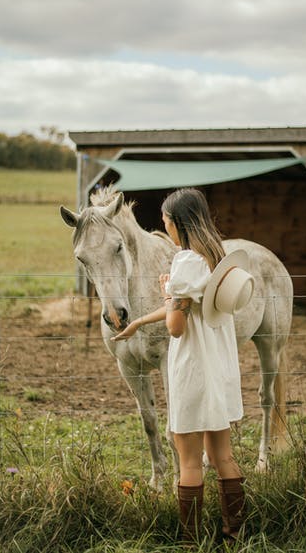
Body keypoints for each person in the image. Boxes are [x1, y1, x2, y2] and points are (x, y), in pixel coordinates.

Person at [112, 188, 246, 543]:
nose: (164, 226)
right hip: (218, 367)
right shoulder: (217, 257)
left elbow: (176, 325)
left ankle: (192, 542)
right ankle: (233, 538)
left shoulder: (186, 261)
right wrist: (140, 322)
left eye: (166, 220)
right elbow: (192, 306)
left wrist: (169, 293)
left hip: (193, 369)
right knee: (223, 457)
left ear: (179, 224)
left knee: (189, 463)